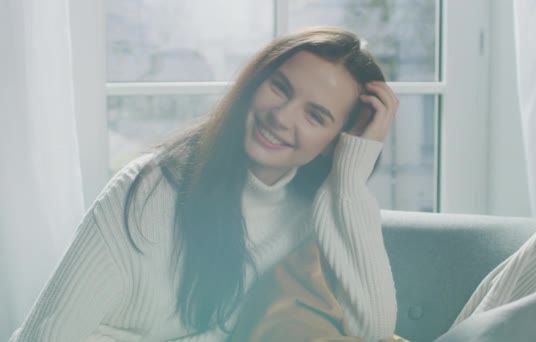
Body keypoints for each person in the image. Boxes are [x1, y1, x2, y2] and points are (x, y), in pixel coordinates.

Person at [11, 26, 400, 341]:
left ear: (332, 145)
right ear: (254, 83)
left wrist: (349, 177)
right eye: (280, 88)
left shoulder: (312, 213)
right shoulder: (149, 187)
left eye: (315, 116)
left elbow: (374, 330)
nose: (281, 117)